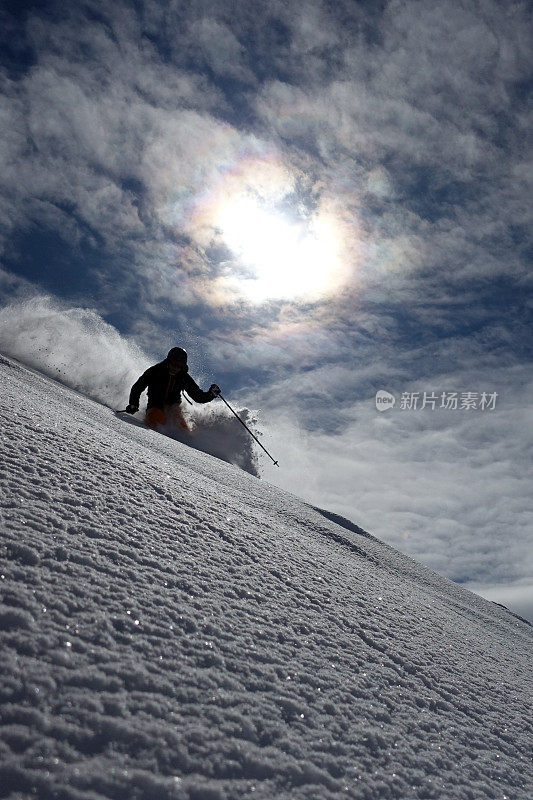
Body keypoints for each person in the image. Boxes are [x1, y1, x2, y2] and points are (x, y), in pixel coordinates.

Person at [125, 347, 220, 429]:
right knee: (157, 422)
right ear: (168, 361)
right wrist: (133, 404)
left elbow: (198, 396)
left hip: (173, 410)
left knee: (182, 431)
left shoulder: (183, 377)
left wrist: (211, 394)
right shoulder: (155, 371)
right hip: (155, 407)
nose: (175, 367)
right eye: (173, 363)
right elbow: (138, 387)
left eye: (179, 366)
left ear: (183, 366)